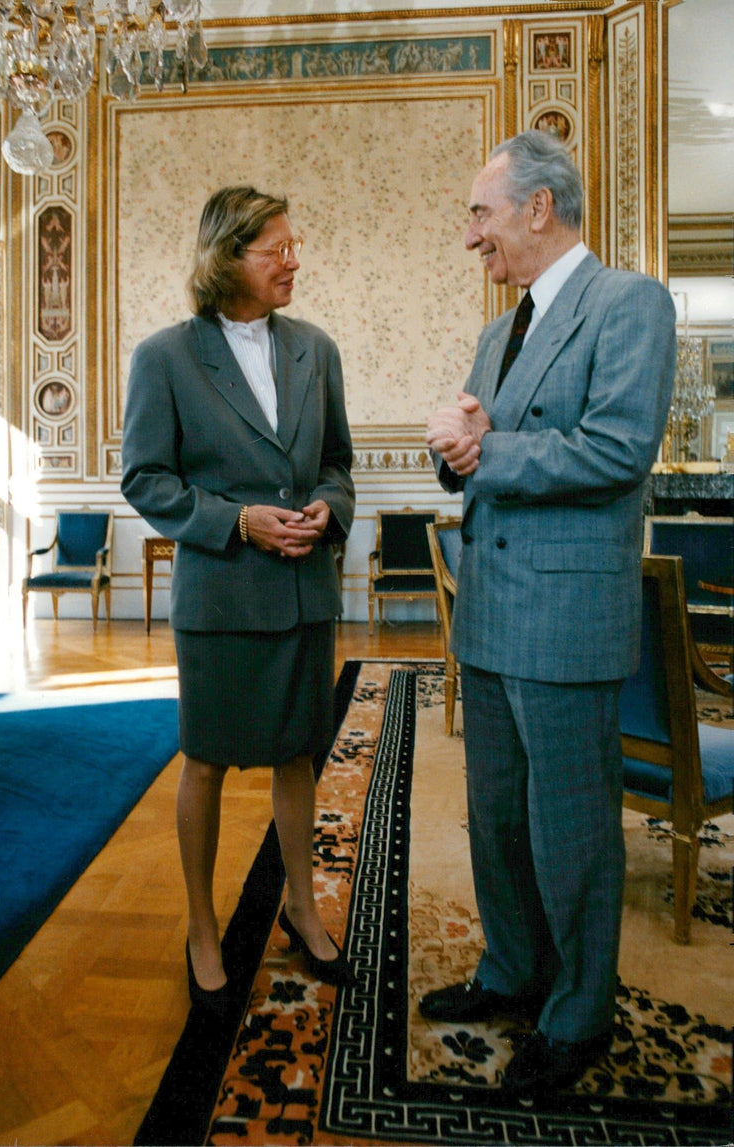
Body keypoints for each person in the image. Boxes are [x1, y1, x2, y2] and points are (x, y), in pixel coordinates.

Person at [422, 131, 676, 1094]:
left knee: (570, 827)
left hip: (565, 620)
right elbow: (481, 444)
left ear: (538, 207)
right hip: (487, 614)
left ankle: (579, 1013)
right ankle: (512, 970)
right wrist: (456, 448)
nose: (471, 237)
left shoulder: (630, 304)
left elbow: (618, 450)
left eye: (480, 214)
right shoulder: (500, 330)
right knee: (494, 817)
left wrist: (492, 453)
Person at [121, 185, 356, 1014]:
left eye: (295, 245)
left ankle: (300, 906)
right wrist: (239, 521)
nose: (294, 260)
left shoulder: (317, 349)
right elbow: (145, 478)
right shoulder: (165, 357)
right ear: (227, 259)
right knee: (209, 759)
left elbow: (338, 461)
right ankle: (201, 927)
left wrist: (332, 509)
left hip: (304, 595)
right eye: (276, 249)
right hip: (221, 598)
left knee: (299, 754)